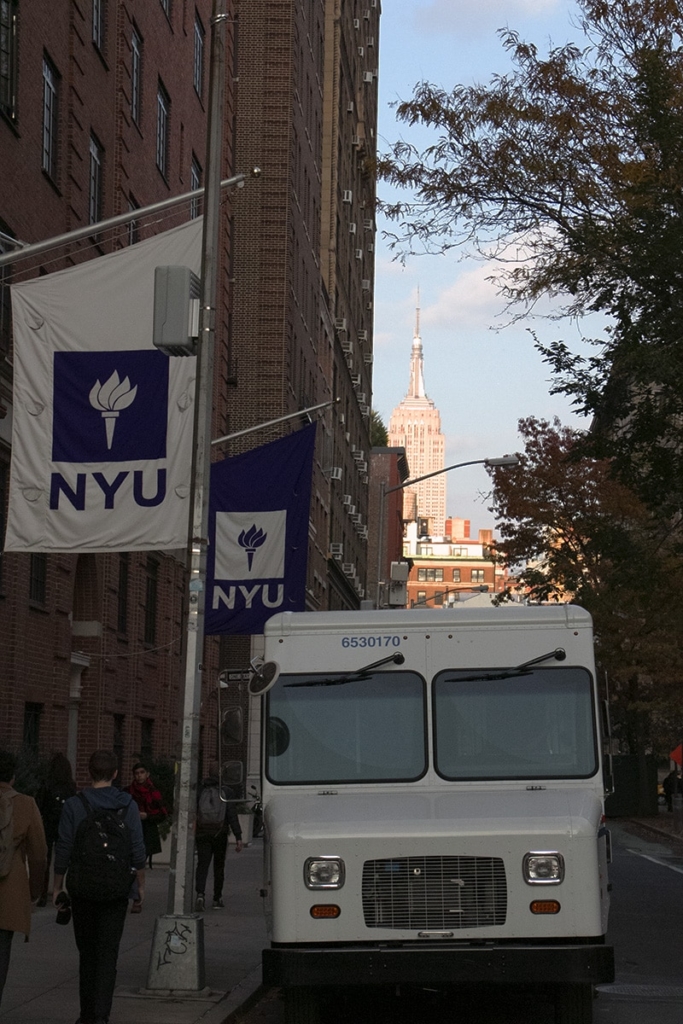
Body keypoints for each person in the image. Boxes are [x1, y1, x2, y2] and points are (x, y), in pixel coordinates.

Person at [53, 749, 146, 1024]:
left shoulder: (74, 805)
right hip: (116, 889)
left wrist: (57, 886)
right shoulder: (127, 805)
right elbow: (137, 851)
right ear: (116, 774)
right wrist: (140, 888)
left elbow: (64, 848)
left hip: (83, 888)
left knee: (87, 953)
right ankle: (101, 1015)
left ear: (89, 772)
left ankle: (86, 1014)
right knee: (108, 953)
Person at [0, 749, 47, 1011]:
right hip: (10, 886)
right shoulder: (26, 804)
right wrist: (34, 892)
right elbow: (38, 853)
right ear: (14, 777)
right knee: (2, 950)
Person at [195, 763, 242, 911]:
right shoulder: (226, 792)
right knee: (219, 867)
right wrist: (238, 836)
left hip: (202, 833)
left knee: (202, 865)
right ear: (220, 774)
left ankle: (200, 894)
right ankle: (217, 898)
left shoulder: (200, 789)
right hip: (220, 833)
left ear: (208, 773)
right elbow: (231, 815)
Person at [36, 752, 77, 906]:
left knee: (45, 859)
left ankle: (41, 893)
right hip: (64, 825)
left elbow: (39, 805)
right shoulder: (70, 786)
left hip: (48, 824)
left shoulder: (46, 784)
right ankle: (59, 889)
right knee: (64, 857)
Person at [125, 763, 167, 870]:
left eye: (142, 772)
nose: (139, 776)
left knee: (140, 861)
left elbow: (162, 814)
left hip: (148, 830)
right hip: (131, 828)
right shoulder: (128, 791)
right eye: (137, 773)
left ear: (147, 774)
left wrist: (147, 816)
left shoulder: (154, 792)